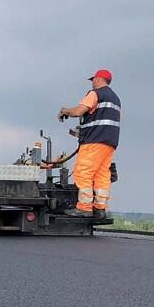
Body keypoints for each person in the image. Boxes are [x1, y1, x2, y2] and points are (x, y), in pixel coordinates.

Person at [58, 68, 120, 219]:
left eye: (93, 80)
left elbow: (79, 111)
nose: (92, 83)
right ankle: (100, 209)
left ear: (98, 79)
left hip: (93, 141)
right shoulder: (116, 99)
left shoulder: (95, 94)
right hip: (109, 143)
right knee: (102, 175)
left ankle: (84, 208)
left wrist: (65, 111)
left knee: (83, 172)